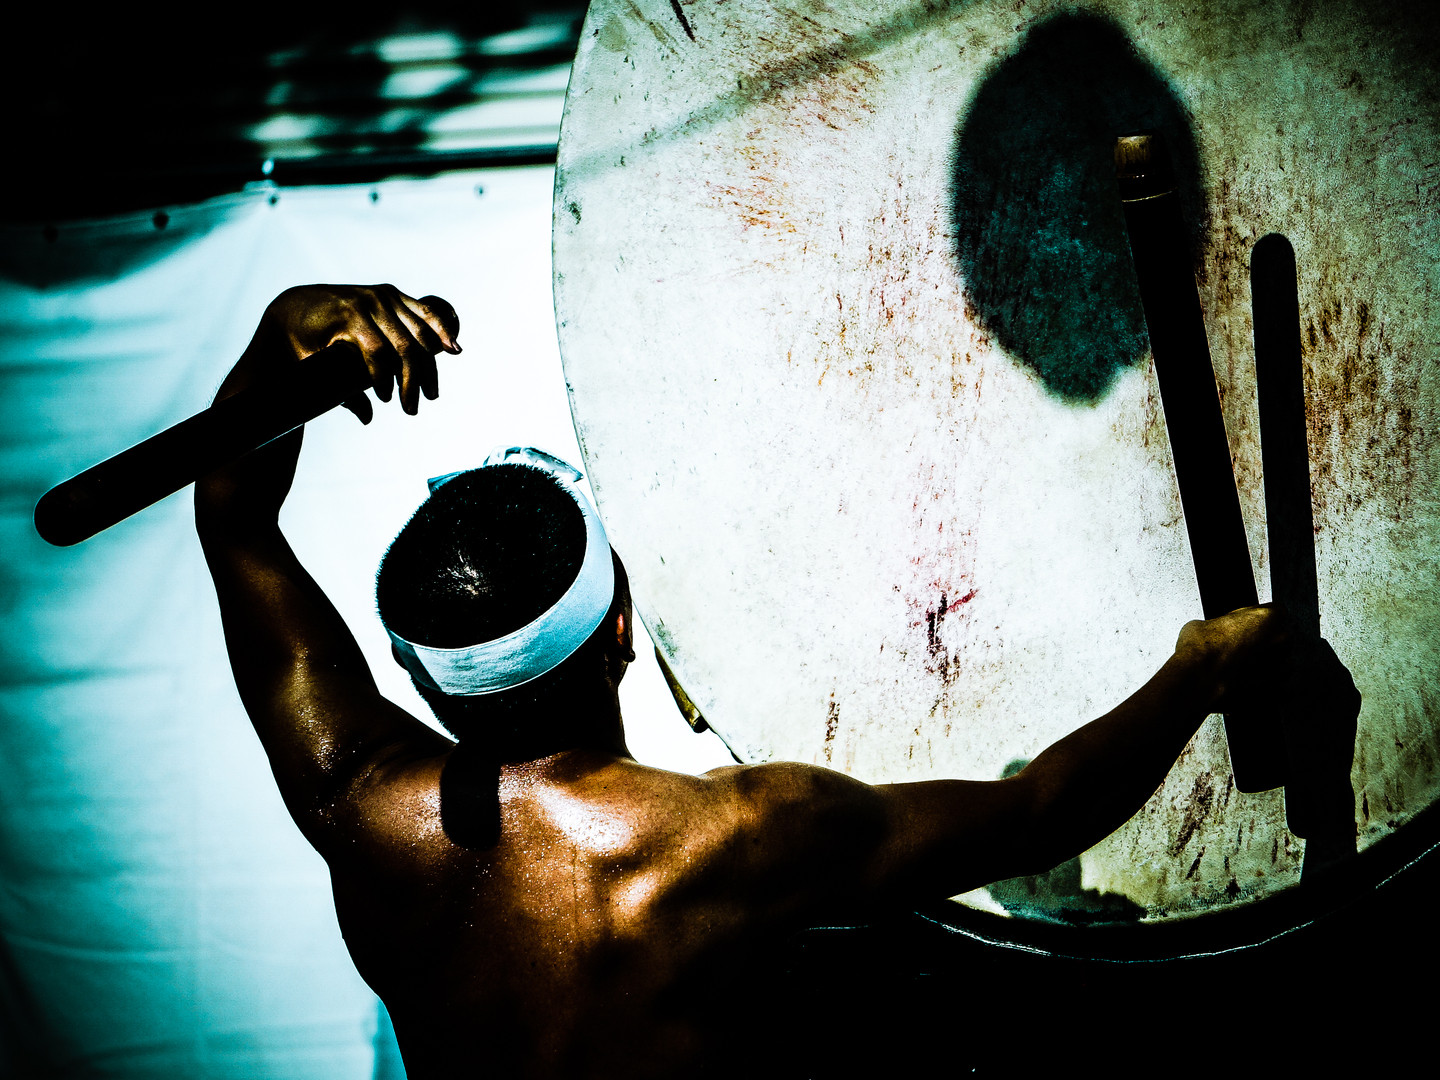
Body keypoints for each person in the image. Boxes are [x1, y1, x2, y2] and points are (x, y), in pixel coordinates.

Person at [196, 284, 1360, 1079]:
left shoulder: (356, 801)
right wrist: (1199, 668)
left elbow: (234, 517)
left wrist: (283, 331)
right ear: (621, 630)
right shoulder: (738, 838)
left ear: (425, 679)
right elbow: (1039, 812)